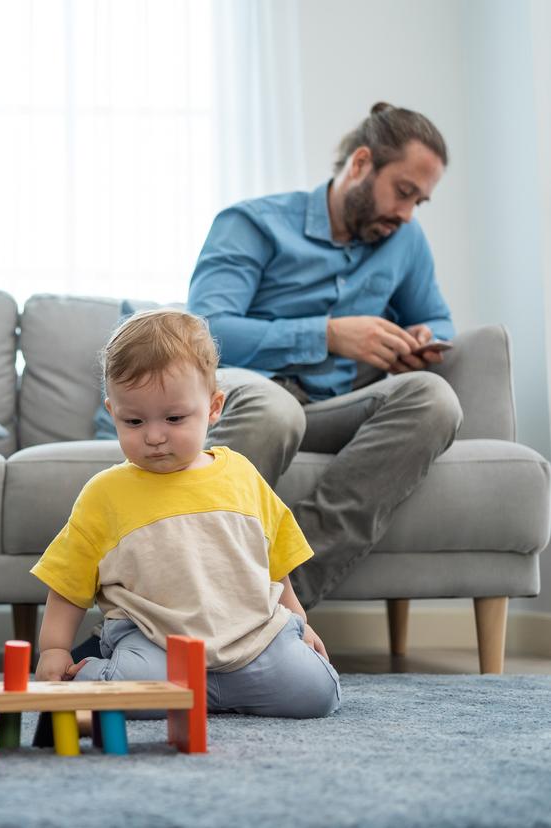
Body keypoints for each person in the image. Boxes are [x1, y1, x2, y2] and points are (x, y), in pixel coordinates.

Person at [188, 103, 464, 609]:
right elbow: (206, 330)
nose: (406, 213)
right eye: (403, 192)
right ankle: (180, 599)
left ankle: (273, 602)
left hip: (335, 407)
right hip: (252, 393)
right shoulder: (252, 223)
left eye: (419, 202)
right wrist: (327, 335)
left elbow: (440, 318)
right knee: (276, 410)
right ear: (360, 164)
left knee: (435, 399)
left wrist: (423, 336)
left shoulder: (405, 241)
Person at [31, 308, 340, 719]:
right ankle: (100, 674)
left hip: (252, 643)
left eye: (174, 418)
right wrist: (53, 649)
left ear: (213, 408)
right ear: (112, 412)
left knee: (318, 694)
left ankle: (216, 691)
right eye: (134, 421)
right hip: (157, 649)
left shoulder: (242, 475)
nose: (155, 436)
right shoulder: (104, 494)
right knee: (117, 691)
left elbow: (275, 564)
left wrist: (299, 625)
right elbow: (66, 583)